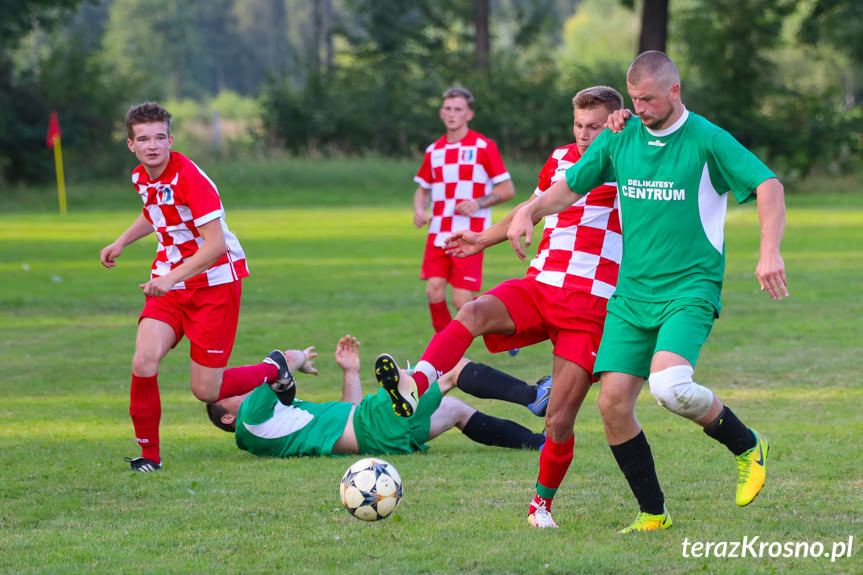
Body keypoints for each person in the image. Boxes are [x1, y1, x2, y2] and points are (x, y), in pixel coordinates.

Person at [508, 51, 788, 533]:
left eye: (648, 99)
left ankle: (747, 445)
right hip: (632, 294)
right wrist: (527, 212)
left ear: (675, 92)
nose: (639, 108)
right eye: (633, 99)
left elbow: (768, 185)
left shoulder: (705, 139)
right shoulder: (621, 136)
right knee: (612, 405)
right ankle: (654, 514)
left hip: (689, 289)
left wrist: (769, 252)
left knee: (670, 388)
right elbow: (570, 187)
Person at [374, 86, 625, 528]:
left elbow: (664, 132)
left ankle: (540, 507)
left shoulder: (634, 161)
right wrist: (480, 239)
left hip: (591, 305)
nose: (584, 136)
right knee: (471, 312)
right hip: (542, 284)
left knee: (559, 421)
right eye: (579, 126)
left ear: (615, 120)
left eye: (595, 127)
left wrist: (633, 128)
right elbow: (529, 209)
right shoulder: (561, 157)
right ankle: (416, 383)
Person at [100, 102, 300, 472]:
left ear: (171, 140)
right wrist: (122, 242)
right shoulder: (142, 177)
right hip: (171, 284)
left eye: (160, 137)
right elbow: (155, 211)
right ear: (131, 144)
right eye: (143, 139)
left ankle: (275, 369)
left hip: (215, 285)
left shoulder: (189, 176)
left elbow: (216, 245)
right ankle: (150, 457)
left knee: (206, 390)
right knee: (144, 361)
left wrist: (171, 278)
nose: (152, 145)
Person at [206, 335, 548, 456]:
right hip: (374, 424)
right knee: (453, 367)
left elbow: (344, 416)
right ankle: (535, 395)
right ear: (227, 417)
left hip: (376, 436)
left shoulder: (270, 425)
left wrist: (350, 372)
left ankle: (539, 445)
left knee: (454, 409)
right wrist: (298, 358)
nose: (242, 384)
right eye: (231, 390)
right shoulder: (251, 416)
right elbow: (278, 361)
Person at [413, 86, 515, 333]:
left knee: (461, 302)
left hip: (470, 235)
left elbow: (507, 189)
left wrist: (478, 203)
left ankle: (501, 328)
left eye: (458, 109)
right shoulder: (433, 150)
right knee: (433, 290)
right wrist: (419, 210)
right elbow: (423, 189)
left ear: (469, 114)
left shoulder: (483, 146)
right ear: (441, 113)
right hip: (438, 232)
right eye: (447, 109)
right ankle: (442, 355)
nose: (452, 114)